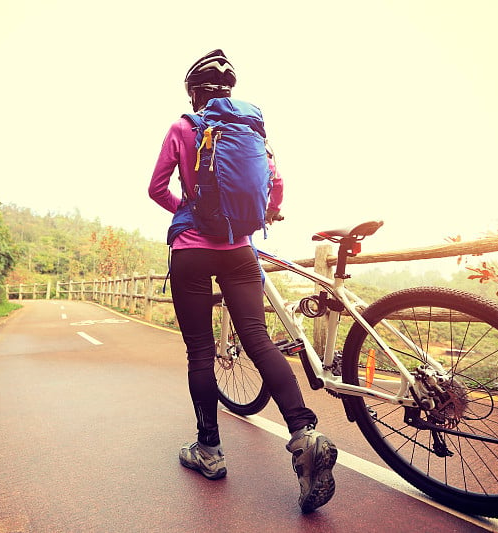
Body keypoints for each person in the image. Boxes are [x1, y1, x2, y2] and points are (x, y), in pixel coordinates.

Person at [148, 49, 337, 513]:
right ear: (229, 93)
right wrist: (249, 219)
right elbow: (275, 187)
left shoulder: (183, 128)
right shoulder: (252, 130)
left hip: (191, 251)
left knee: (200, 351)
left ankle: (209, 452)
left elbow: (156, 188)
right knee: (259, 340)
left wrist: (190, 211)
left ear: (194, 93)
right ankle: (304, 433)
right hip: (240, 251)